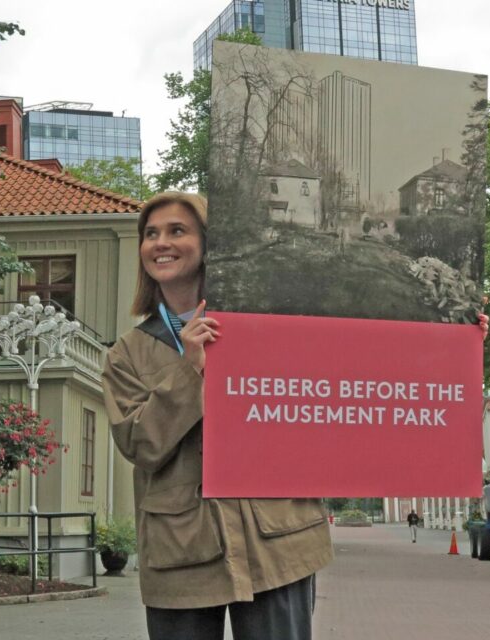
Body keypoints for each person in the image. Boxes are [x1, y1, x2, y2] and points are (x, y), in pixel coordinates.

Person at [104, 192, 333, 640]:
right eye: (150, 234)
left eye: (177, 231)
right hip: (181, 553)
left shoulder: (269, 322)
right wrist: (190, 369)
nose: (160, 243)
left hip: (278, 537)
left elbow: (352, 370)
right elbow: (141, 445)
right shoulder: (126, 355)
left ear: (209, 244)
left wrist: (454, 334)